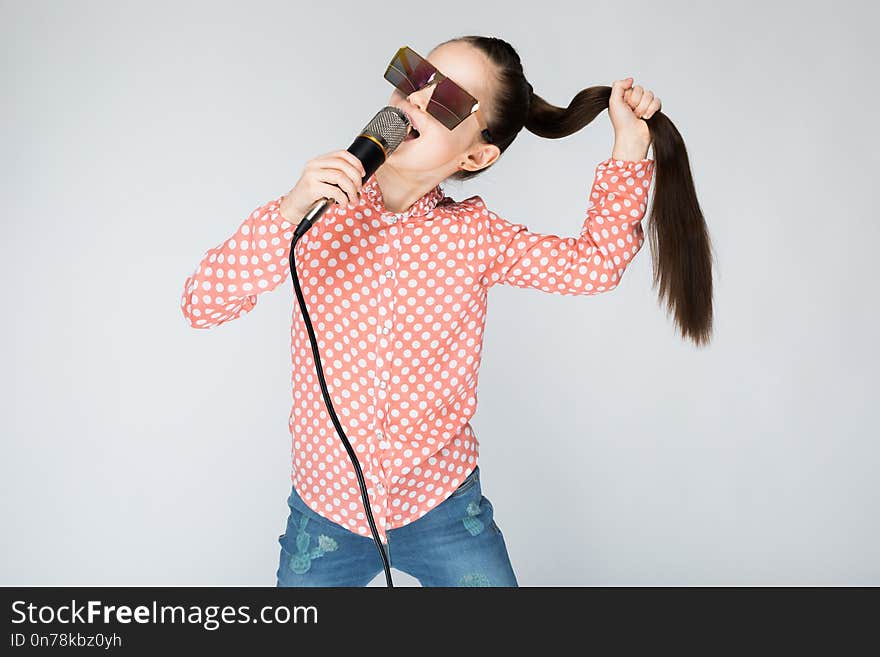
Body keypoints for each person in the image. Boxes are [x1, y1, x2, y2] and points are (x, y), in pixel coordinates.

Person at [181, 35, 709, 586]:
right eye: (415, 77)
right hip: (326, 515)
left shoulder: (475, 236)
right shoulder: (313, 216)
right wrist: (288, 212)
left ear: (476, 155)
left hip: (443, 512)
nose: (416, 98)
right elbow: (202, 304)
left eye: (447, 99)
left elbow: (594, 265)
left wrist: (629, 145)